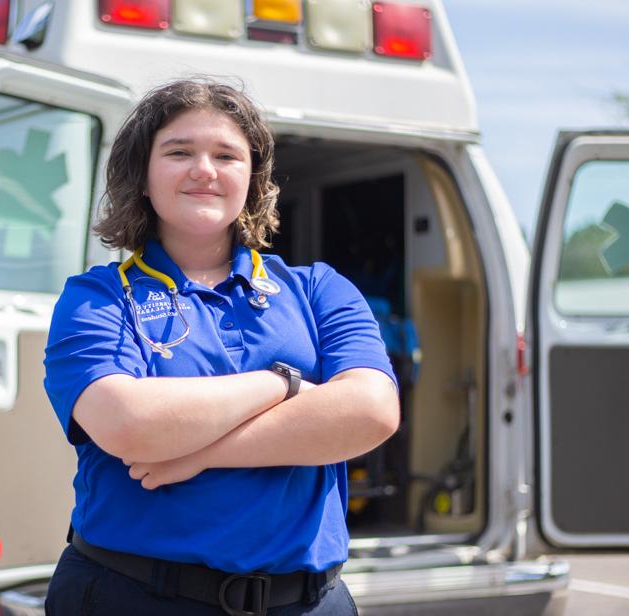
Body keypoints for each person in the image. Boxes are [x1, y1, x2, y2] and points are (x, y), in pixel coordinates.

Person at [43, 78, 400, 615]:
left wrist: (196, 454)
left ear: (252, 178)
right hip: (134, 596)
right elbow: (129, 425)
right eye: (179, 152)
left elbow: (370, 412)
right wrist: (282, 383)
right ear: (142, 174)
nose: (204, 170)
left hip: (306, 602)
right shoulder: (97, 298)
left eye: (226, 155)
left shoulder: (318, 289)